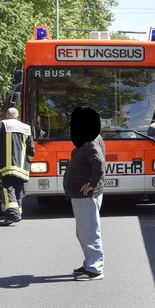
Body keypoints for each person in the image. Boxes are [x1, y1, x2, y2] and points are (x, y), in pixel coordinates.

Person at [65, 107, 106, 280]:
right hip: (82, 195)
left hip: (85, 195)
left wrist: (92, 184)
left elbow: (99, 163)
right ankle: (89, 262)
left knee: (89, 231)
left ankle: (95, 268)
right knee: (84, 231)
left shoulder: (90, 141)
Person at [0, 108, 35, 226]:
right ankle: (18, 212)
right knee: (18, 189)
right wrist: (27, 163)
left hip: (6, 165)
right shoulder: (26, 127)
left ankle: (13, 214)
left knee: (7, 187)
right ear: (17, 115)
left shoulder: (1, 124)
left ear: (7, 114)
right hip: (22, 166)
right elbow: (31, 150)